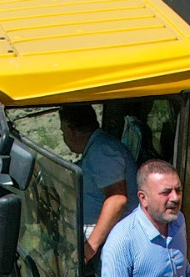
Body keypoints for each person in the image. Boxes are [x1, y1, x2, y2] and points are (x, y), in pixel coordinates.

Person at [58, 104, 136, 265]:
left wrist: (89, 247)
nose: (64, 137)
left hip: (107, 243)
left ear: (70, 129)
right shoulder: (96, 149)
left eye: (63, 132)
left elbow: (117, 199)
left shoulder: (102, 151)